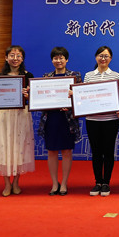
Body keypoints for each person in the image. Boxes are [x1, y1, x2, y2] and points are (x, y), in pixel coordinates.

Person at [0, 45, 35, 197]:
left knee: (19, 147)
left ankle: (16, 182)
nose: (15, 58)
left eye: (18, 56)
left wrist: (28, 95)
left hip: (21, 114)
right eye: (12, 55)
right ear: (6, 58)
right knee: (3, 147)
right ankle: (6, 184)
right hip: (4, 115)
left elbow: (34, 98)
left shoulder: (28, 76)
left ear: (22, 59)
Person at [40, 46, 82, 196]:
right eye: (55, 58)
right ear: (52, 60)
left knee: (66, 151)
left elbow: (82, 98)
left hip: (67, 120)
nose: (58, 60)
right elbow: (41, 98)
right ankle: (54, 183)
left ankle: (64, 183)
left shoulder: (75, 76)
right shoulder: (46, 77)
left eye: (61, 58)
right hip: (51, 118)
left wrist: (73, 98)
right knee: (51, 151)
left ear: (66, 59)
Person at [84, 45, 119, 197]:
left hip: (110, 119)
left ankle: (106, 182)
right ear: (96, 57)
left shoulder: (116, 76)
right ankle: (97, 182)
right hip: (92, 119)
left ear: (110, 58)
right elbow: (85, 96)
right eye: (100, 55)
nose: (103, 58)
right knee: (96, 152)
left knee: (108, 151)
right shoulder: (88, 76)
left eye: (106, 56)